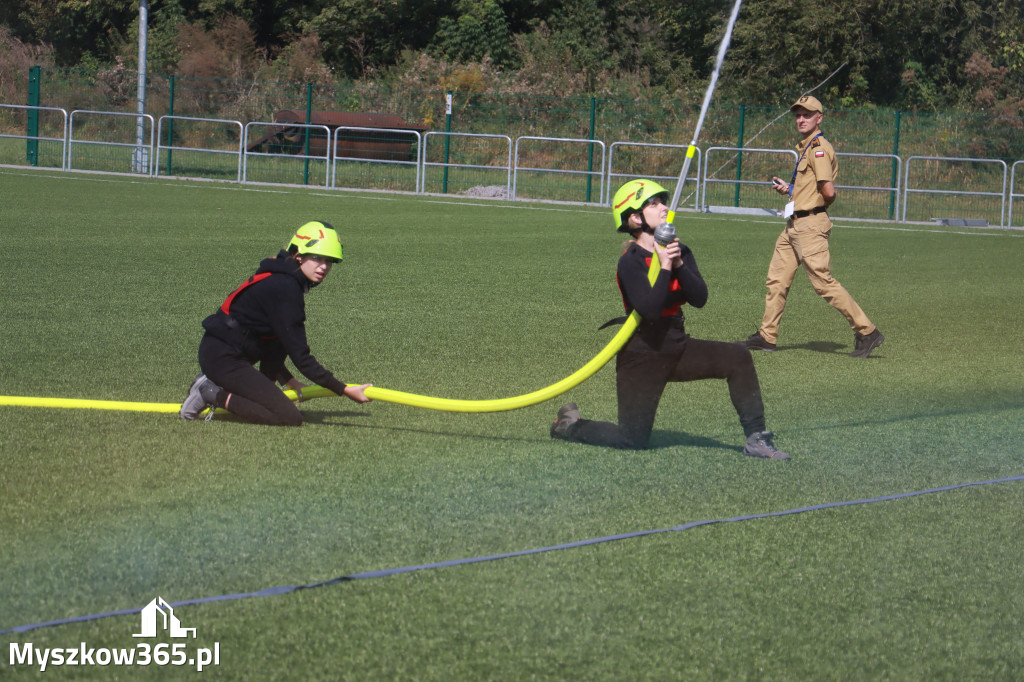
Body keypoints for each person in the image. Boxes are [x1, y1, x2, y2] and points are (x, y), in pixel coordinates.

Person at [550, 179, 789, 460]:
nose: (664, 207)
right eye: (654, 203)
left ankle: (756, 439)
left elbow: (700, 298)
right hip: (641, 356)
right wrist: (664, 266)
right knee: (632, 440)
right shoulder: (631, 261)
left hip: (677, 346)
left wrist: (677, 264)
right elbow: (649, 310)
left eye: (663, 201)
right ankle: (570, 426)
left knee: (738, 357)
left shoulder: (680, 251)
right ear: (635, 218)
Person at [180, 220, 371, 425]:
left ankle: (232, 391)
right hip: (223, 358)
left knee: (277, 351)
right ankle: (210, 392)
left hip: (236, 351)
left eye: (330, 261)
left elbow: (277, 339)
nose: (324, 267)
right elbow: (301, 357)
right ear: (299, 256)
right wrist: (344, 390)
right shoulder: (285, 288)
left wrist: (289, 381)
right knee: (288, 416)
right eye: (317, 258)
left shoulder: (284, 278)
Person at [742, 95, 884, 358]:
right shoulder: (807, 147)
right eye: (797, 115)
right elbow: (813, 186)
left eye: (807, 114)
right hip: (794, 225)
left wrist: (815, 205)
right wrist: (791, 190)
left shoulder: (818, 148)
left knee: (823, 284)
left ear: (819, 118)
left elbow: (828, 191)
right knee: (777, 280)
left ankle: (867, 332)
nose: (801, 119)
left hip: (809, 225)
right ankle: (767, 336)